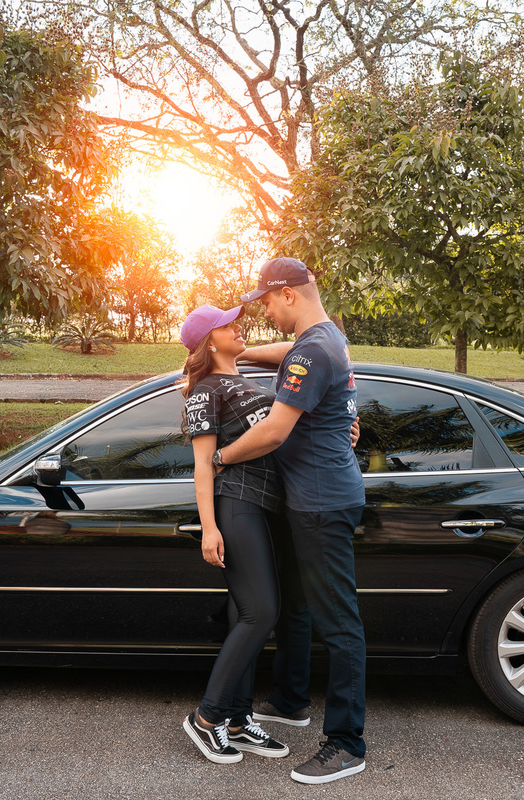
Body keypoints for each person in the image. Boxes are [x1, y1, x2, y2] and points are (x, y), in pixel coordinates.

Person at [215, 257, 368, 785]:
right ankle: (290, 701)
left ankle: (347, 744)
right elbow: (289, 353)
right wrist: (238, 351)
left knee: (338, 623)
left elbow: (275, 431)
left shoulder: (315, 349)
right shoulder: (329, 341)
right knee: (298, 609)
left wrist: (221, 457)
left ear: (288, 295)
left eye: (267, 303)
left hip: (320, 505)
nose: (266, 314)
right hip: (316, 497)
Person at [178, 303, 293, 764]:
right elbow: (202, 464)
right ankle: (206, 719)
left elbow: (297, 350)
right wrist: (209, 527)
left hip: (267, 508)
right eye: (227, 324)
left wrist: (241, 353)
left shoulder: (242, 377)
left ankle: (239, 720)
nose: (239, 325)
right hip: (237, 503)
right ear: (209, 340)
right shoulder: (205, 391)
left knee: (246, 613)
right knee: (260, 612)